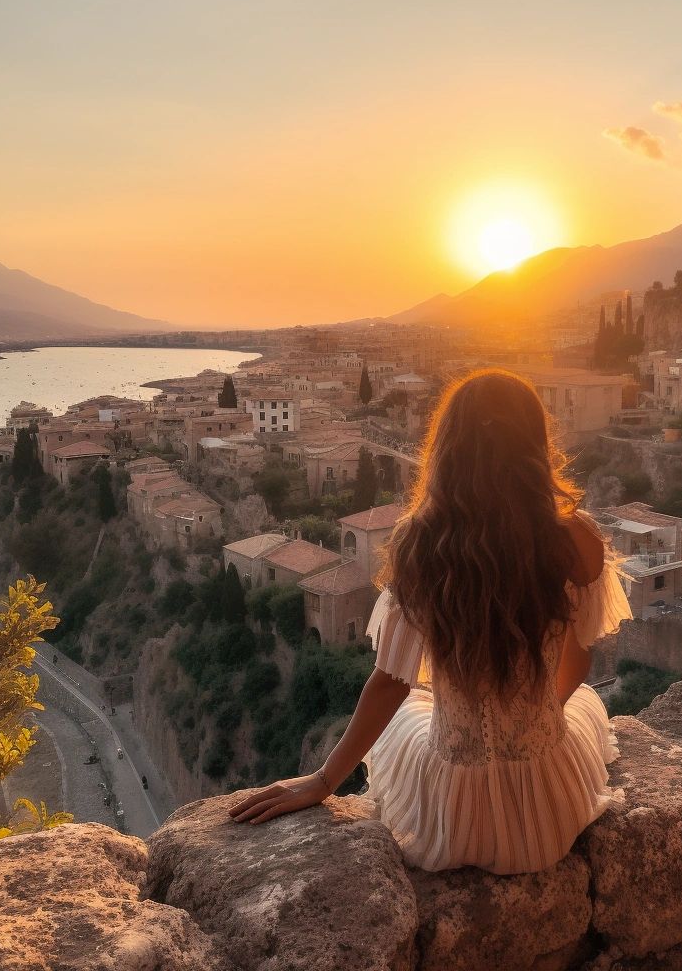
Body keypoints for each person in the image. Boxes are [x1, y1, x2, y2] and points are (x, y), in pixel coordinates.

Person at [229, 369, 632, 875]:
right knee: (585, 706)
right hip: (548, 816)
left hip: (452, 820)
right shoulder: (576, 539)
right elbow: (580, 657)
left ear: (447, 449)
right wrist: (535, 718)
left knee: (414, 706)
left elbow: (391, 681)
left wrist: (323, 781)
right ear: (534, 441)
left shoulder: (422, 546)